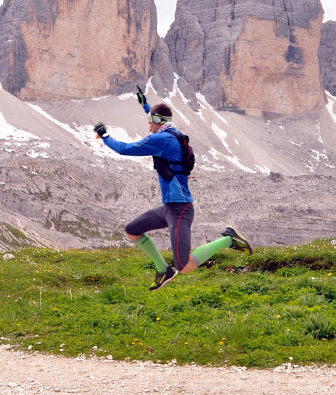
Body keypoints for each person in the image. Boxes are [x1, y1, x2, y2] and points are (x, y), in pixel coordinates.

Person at [93, 87, 252, 291]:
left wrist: (104, 136)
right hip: (169, 207)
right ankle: (163, 270)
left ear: (158, 123)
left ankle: (229, 239)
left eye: (150, 121)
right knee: (132, 230)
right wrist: (145, 105)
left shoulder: (161, 140)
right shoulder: (170, 131)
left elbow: (124, 149)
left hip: (180, 208)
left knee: (184, 265)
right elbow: (157, 117)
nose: (148, 125)